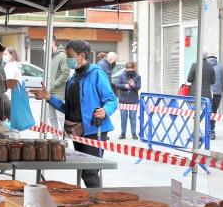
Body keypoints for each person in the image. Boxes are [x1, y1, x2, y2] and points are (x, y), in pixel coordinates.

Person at [31, 40, 117, 188]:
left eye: (69, 55)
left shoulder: (97, 74)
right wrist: (49, 98)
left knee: (89, 173)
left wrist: (105, 111)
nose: (67, 59)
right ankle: (90, 200)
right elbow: (68, 109)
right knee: (83, 170)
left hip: (94, 130)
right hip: (76, 131)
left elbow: (111, 100)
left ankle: (97, 202)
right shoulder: (72, 79)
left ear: (81, 56)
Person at [185, 53, 216, 138]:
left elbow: (189, 79)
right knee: (204, 115)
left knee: (195, 115)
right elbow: (213, 81)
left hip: (194, 94)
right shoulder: (210, 67)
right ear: (206, 57)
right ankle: (203, 135)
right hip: (206, 95)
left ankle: (195, 135)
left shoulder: (195, 65)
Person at [46, 36, 70, 132]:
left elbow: (66, 73)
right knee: (52, 118)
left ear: (52, 42)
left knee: (61, 118)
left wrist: (55, 84)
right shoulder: (50, 56)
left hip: (59, 93)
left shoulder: (62, 55)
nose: (44, 46)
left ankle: (63, 139)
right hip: (49, 92)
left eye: (46, 43)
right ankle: (54, 138)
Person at [116, 62, 141, 139]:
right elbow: (117, 85)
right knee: (123, 118)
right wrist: (124, 86)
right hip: (123, 100)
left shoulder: (137, 76)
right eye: (128, 69)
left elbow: (139, 87)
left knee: (133, 117)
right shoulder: (121, 75)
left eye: (131, 69)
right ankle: (123, 133)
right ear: (126, 68)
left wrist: (134, 85)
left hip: (133, 100)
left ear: (134, 68)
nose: (129, 70)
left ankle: (134, 133)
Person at [209, 54, 223, 139]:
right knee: (214, 112)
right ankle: (211, 131)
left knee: (206, 112)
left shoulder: (204, 66)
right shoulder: (221, 66)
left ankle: (206, 131)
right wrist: (221, 90)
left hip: (206, 93)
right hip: (217, 93)